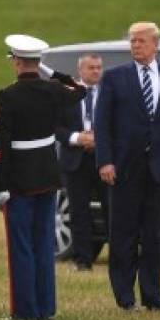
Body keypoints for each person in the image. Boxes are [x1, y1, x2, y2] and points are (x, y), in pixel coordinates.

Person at [95, 22, 160, 312]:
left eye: (140, 41)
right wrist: (105, 160)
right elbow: (102, 123)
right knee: (123, 234)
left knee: (154, 234)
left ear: (155, 44)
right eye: (132, 41)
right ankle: (125, 298)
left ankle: (153, 296)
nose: (135, 45)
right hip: (124, 169)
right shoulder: (115, 78)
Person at [0, 34, 85, 320]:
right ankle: (46, 309)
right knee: (44, 243)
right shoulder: (53, 91)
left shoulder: (8, 96)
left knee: (21, 245)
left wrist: (0, 185)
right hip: (47, 173)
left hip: (19, 178)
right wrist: (49, 72)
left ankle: (25, 310)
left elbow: (1, 147)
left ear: (17, 62)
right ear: (38, 63)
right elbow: (79, 89)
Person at [55, 53, 110, 271]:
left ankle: (118, 259)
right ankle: (83, 261)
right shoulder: (67, 95)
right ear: (81, 71)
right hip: (75, 161)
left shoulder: (109, 95)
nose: (96, 71)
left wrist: (98, 139)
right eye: (91, 68)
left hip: (104, 160)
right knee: (79, 212)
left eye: (99, 67)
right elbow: (56, 128)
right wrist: (78, 138)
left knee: (112, 211)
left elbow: (119, 125)